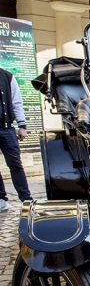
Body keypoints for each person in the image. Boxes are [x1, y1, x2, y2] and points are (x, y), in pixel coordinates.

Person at [0, 67, 32, 213]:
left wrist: (22, 125)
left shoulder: (7, 76)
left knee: (15, 164)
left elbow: (16, 102)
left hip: (7, 128)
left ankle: (26, 199)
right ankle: (1, 199)